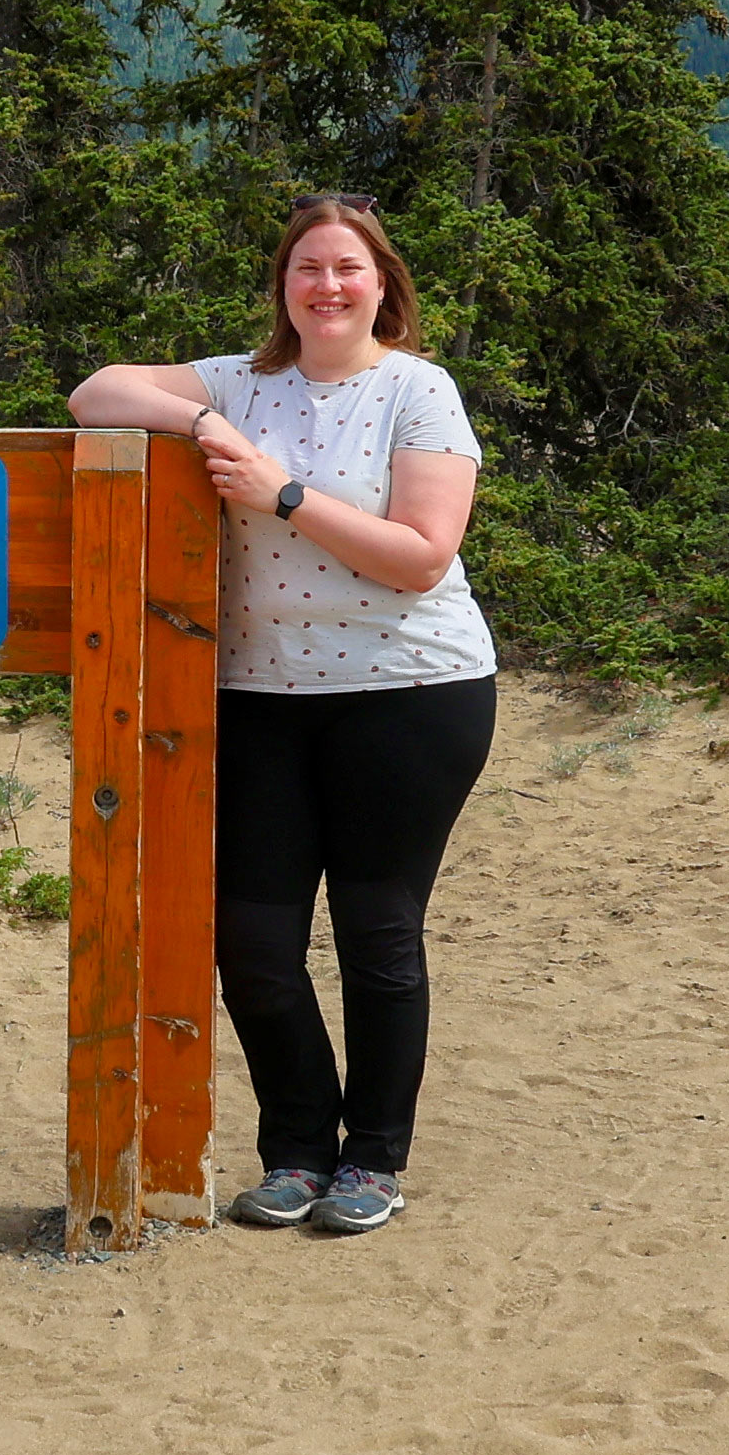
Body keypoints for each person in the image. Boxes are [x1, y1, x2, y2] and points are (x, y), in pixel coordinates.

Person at [69, 197, 495, 1238]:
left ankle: (374, 1161)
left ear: (384, 285)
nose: (330, 286)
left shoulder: (418, 392)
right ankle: (299, 1149)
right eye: (309, 268)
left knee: (375, 931)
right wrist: (207, 422)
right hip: (261, 697)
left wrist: (283, 493)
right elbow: (95, 392)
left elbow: (422, 555)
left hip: (412, 694)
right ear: (284, 288)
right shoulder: (239, 382)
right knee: (253, 943)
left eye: (350, 268)